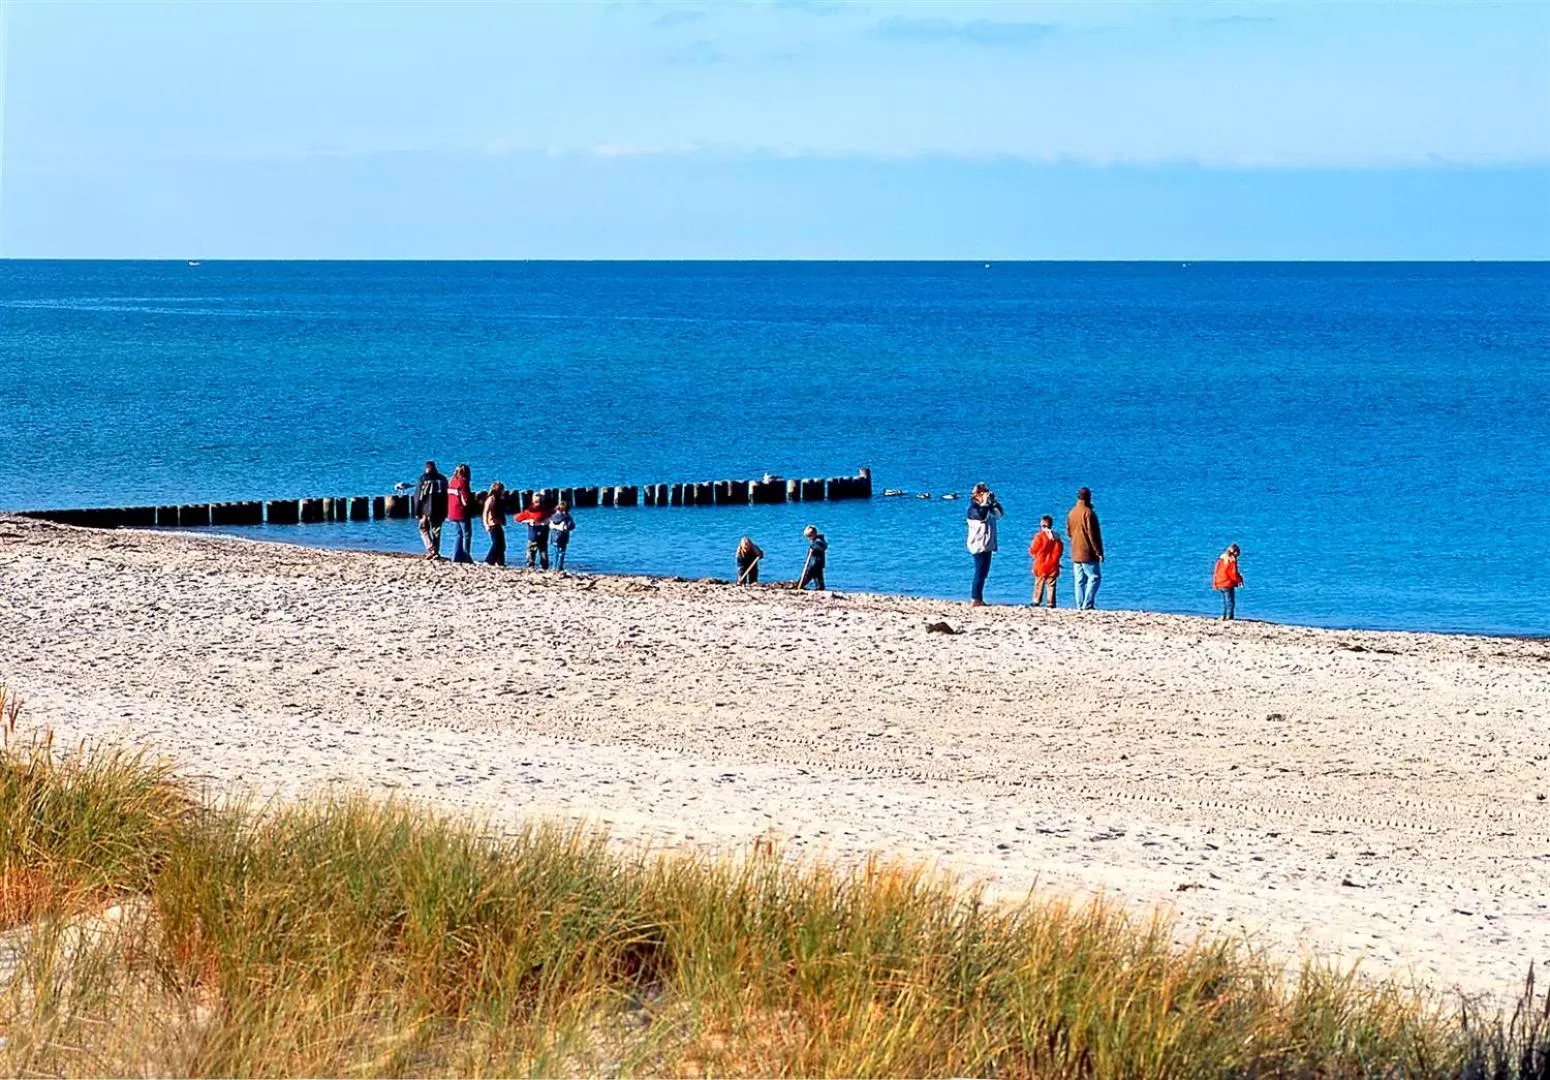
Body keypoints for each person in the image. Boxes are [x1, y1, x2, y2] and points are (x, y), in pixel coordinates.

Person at [1067, 487, 1104, 610]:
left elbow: (1069, 532)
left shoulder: (1072, 512)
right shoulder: (1089, 513)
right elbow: (1092, 535)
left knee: (1079, 580)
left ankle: (1079, 605)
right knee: (1095, 577)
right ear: (1088, 497)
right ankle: (1087, 604)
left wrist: (1075, 542)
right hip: (1087, 551)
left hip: (1075, 551)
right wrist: (1098, 552)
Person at [965, 482, 1002, 607]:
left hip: (988, 544)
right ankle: (975, 598)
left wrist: (993, 502)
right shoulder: (973, 509)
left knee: (984, 573)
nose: (985, 494)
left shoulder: (987, 508)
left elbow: (999, 515)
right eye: (982, 492)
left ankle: (979, 598)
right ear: (976, 495)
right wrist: (985, 503)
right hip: (978, 544)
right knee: (979, 572)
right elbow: (981, 516)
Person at [415, 460, 448, 560]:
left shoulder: (423, 479)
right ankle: (436, 551)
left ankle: (431, 548)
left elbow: (418, 496)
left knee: (423, 529)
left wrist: (417, 511)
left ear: (426, 468)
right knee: (436, 531)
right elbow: (446, 496)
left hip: (426, 509)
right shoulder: (443, 479)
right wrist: (446, 510)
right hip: (440, 509)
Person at [1029, 515, 1064, 608]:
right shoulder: (1056, 537)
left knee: (1039, 583)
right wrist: (1056, 559)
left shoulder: (1039, 536)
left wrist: (1034, 555)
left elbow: (1033, 549)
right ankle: (1050, 602)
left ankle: (1037, 600)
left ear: (1042, 525)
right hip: (1053, 563)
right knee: (1051, 585)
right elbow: (1059, 551)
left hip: (1041, 563)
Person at [514, 495, 552, 569]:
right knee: (532, 552)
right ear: (533, 502)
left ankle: (543, 567)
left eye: (540, 502)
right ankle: (532, 566)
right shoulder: (529, 512)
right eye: (537, 502)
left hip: (541, 536)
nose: (539, 504)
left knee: (542, 553)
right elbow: (517, 518)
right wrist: (529, 521)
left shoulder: (546, 511)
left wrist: (548, 521)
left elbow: (555, 516)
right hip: (534, 536)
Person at [447, 463, 473, 564]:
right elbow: (465, 499)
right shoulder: (463, 482)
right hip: (461, 511)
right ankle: (466, 555)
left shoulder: (452, 481)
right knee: (467, 534)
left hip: (452, 511)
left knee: (458, 534)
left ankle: (456, 555)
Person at [1214, 543, 1244, 621]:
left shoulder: (1221, 559)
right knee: (1230, 602)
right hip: (1227, 583)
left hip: (1220, 582)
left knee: (1226, 602)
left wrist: (1215, 583)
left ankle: (1225, 616)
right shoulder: (1231, 560)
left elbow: (1216, 572)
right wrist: (1239, 580)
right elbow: (1233, 573)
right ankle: (1229, 617)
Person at [482, 482, 507, 567]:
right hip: (492, 523)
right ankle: (489, 561)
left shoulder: (499, 499)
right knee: (496, 543)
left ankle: (500, 562)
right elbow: (485, 512)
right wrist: (486, 524)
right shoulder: (491, 499)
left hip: (498, 523)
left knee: (502, 544)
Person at [797, 525, 827, 591]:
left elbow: (822, 546)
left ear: (813, 534)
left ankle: (799, 586)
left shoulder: (818, 541)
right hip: (815, 564)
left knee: (807, 577)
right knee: (817, 579)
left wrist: (813, 547)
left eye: (809, 537)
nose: (809, 539)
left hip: (814, 564)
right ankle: (819, 588)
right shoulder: (816, 541)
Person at [549, 501, 575, 570]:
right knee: (562, 553)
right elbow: (571, 526)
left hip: (553, 537)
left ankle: (554, 567)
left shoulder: (553, 516)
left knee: (555, 553)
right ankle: (559, 567)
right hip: (562, 537)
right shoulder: (567, 517)